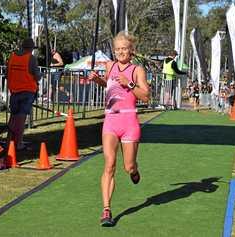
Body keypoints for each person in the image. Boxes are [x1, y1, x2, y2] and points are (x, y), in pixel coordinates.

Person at [88, 31, 150, 226]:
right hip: (111, 121)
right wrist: (98, 80)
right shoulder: (110, 66)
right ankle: (106, 210)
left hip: (129, 121)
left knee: (128, 166)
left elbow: (146, 97)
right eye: (118, 49)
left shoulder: (137, 70)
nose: (121, 52)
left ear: (131, 51)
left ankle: (134, 170)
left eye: (125, 48)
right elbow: (109, 85)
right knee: (109, 164)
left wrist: (129, 83)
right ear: (114, 52)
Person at [6, 38, 40, 150]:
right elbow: (36, 75)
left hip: (14, 91)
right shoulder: (31, 58)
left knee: (13, 117)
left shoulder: (12, 57)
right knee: (21, 119)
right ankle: (18, 143)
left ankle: (9, 141)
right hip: (27, 91)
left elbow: (7, 73)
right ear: (31, 48)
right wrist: (40, 76)